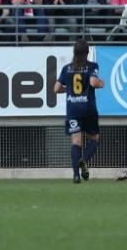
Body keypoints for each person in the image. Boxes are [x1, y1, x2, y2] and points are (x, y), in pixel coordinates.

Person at [54, 39, 105, 184]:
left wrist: (68, 90)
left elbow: (56, 89)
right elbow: (93, 82)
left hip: (73, 109)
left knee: (76, 142)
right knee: (94, 138)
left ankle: (76, 175)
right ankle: (84, 159)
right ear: (87, 53)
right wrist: (102, 83)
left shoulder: (67, 68)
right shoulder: (92, 66)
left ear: (74, 52)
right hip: (88, 108)